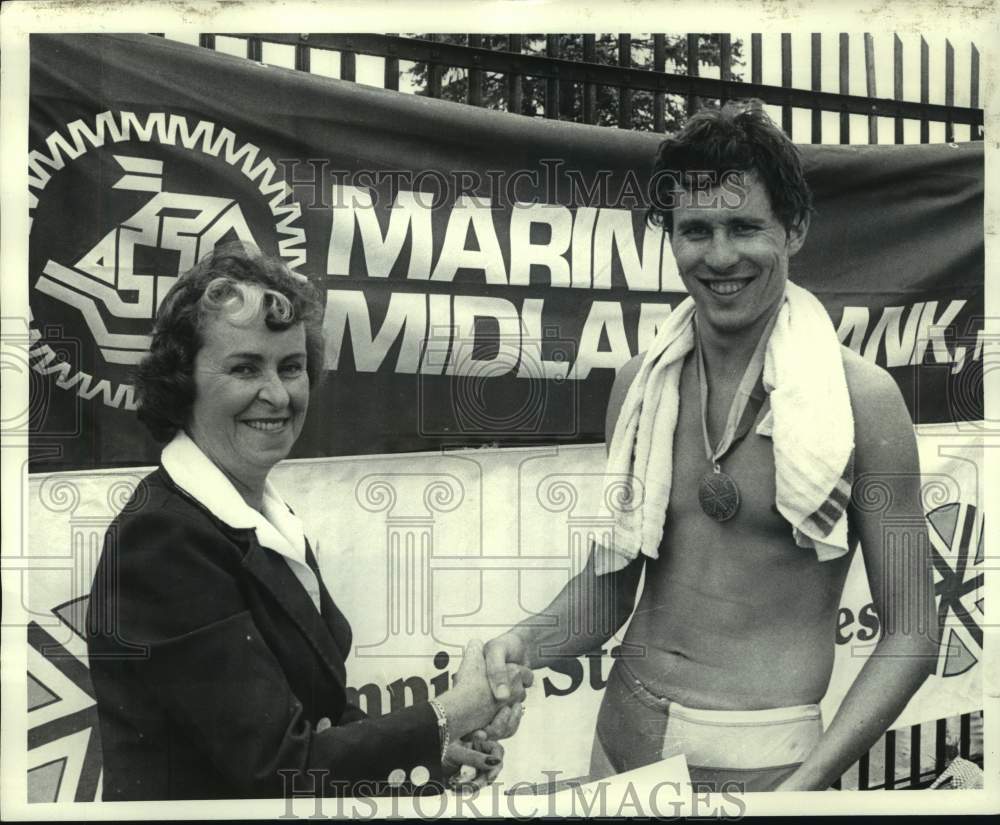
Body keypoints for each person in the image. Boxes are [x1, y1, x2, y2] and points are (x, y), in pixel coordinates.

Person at [483, 102, 939, 792]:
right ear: (670, 237)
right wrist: (522, 641)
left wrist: (806, 785)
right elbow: (608, 594)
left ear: (795, 230)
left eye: (744, 227)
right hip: (617, 746)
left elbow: (911, 635)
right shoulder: (641, 384)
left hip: (765, 768)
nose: (719, 255)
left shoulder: (863, 401)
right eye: (695, 229)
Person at [85, 242, 529, 800]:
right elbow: (278, 766)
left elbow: (312, 720)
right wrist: (452, 711)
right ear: (182, 381)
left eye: (291, 367)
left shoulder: (259, 513)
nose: (277, 394)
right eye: (245, 368)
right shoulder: (161, 540)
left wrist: (435, 752)